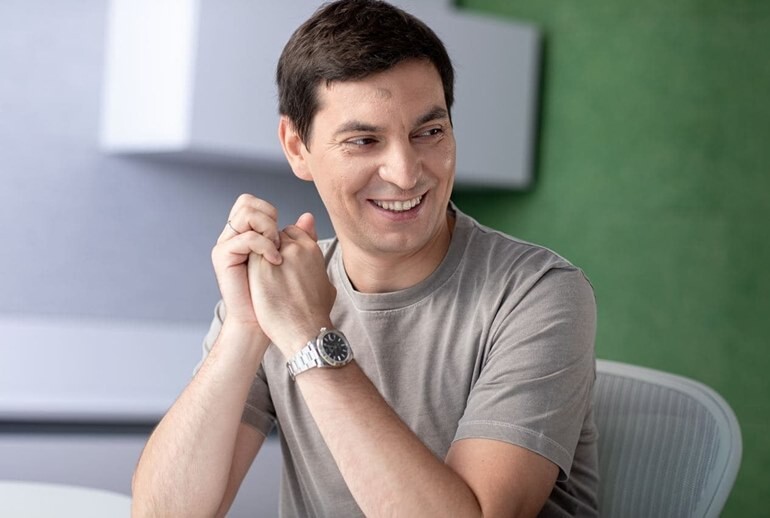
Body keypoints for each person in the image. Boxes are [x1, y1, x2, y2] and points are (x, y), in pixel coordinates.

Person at [131, 0, 599, 516]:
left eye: (429, 132)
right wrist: (245, 327)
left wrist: (310, 338)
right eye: (363, 140)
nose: (405, 172)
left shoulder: (539, 294)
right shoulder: (279, 294)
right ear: (297, 147)